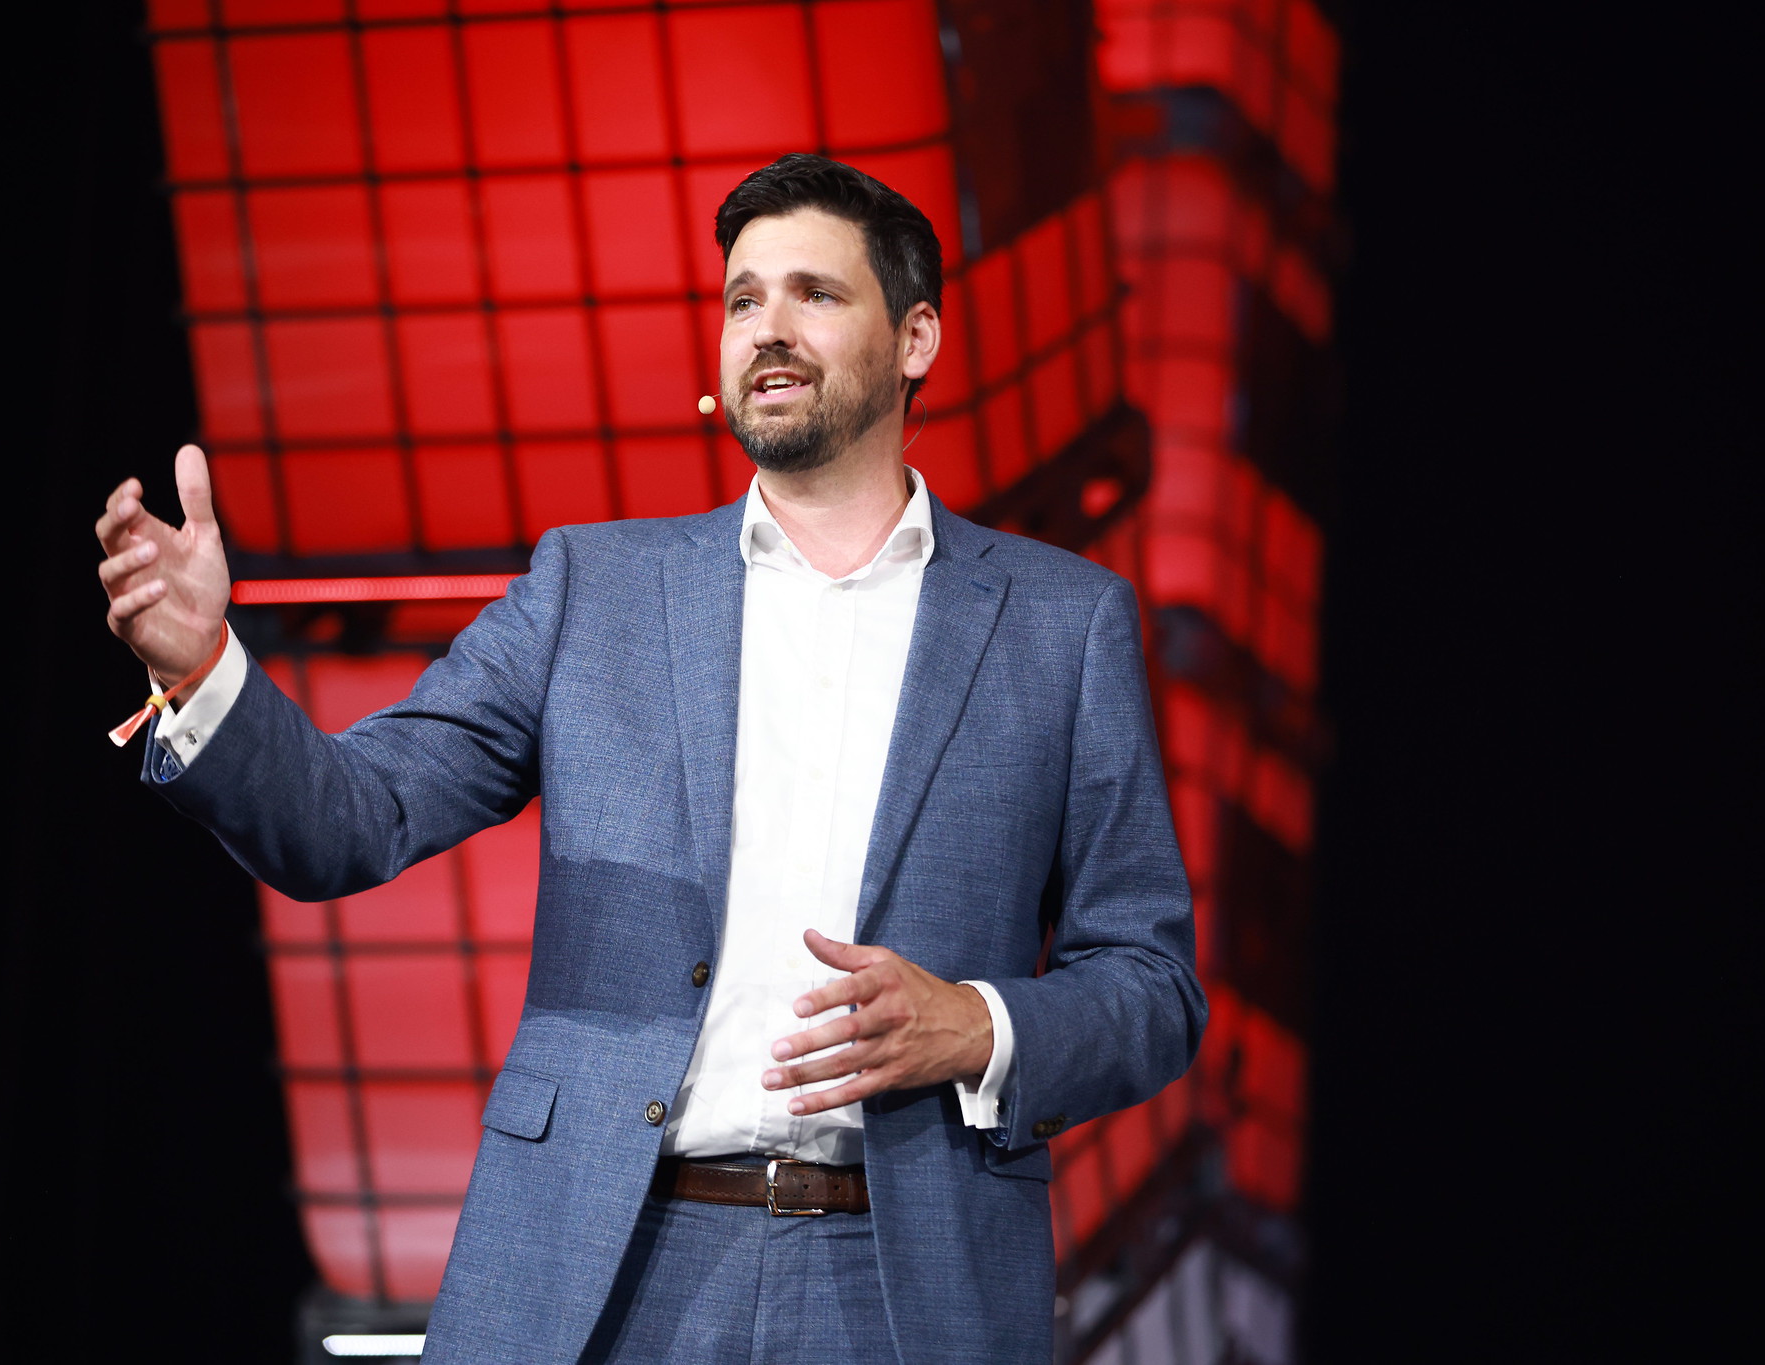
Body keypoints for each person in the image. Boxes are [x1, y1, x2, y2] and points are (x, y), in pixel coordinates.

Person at [94, 154, 1203, 1364]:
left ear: (916, 337)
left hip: (900, 1284)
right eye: (739, 300)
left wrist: (977, 1026)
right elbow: (352, 818)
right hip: (602, 1265)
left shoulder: (1058, 622)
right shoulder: (593, 588)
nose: (765, 330)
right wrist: (204, 669)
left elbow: (1149, 986)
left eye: (813, 296)